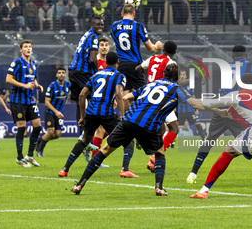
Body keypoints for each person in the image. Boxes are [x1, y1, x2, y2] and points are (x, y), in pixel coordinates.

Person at [71, 64, 194, 196]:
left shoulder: (151, 84)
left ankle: (79, 184)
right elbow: (195, 103)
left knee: (105, 150)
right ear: (176, 78)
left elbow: (126, 97)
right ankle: (159, 188)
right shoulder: (177, 89)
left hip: (129, 120)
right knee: (159, 152)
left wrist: (120, 104)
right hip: (148, 124)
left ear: (164, 74)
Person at [186, 44, 252, 185]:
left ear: (232, 56)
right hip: (240, 109)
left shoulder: (226, 67)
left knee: (210, 139)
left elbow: (221, 90)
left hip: (223, 108)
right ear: (246, 55)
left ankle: (193, 174)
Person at [58, 51, 137, 177]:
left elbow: (82, 95)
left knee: (85, 140)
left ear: (106, 62)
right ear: (118, 62)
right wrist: (123, 116)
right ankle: (125, 169)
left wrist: (83, 117)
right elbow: (118, 93)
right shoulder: (119, 76)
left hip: (91, 112)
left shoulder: (96, 75)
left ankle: (65, 169)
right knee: (128, 139)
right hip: (106, 113)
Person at [135, 41, 179, 172]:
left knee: (160, 130)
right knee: (174, 128)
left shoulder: (153, 58)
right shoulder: (171, 63)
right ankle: (155, 157)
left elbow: (138, 68)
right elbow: (174, 83)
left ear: (163, 49)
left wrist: (147, 80)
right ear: (174, 52)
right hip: (161, 98)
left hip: (148, 97)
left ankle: (153, 161)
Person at [110, 4, 162, 111]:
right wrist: (157, 46)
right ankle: (140, 122)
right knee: (143, 96)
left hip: (121, 66)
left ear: (121, 14)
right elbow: (150, 49)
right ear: (134, 14)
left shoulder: (114, 26)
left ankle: (125, 122)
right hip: (136, 65)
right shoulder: (139, 26)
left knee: (125, 97)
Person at [6, 40, 44, 167]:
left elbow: (32, 78)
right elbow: (8, 79)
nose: (28, 49)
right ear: (21, 50)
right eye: (25, 47)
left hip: (29, 100)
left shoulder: (33, 64)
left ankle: (30, 155)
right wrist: (24, 85)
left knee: (37, 127)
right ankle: (19, 157)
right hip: (17, 100)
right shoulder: (16, 62)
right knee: (22, 128)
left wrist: (37, 85)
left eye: (30, 47)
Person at [68, 14, 104, 133]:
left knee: (80, 101)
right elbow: (93, 59)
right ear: (92, 25)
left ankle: (81, 132)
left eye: (102, 25)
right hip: (82, 72)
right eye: (98, 25)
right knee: (95, 99)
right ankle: (91, 131)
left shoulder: (86, 34)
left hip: (74, 72)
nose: (100, 27)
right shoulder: (93, 37)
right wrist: (98, 71)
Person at [36, 67, 71, 157]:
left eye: (63, 73)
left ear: (65, 74)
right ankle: (39, 151)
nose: (61, 74)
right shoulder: (52, 86)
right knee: (50, 132)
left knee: (57, 134)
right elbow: (46, 102)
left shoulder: (68, 86)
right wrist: (56, 111)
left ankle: (40, 140)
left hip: (59, 114)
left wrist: (60, 111)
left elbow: (65, 98)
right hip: (50, 112)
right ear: (56, 75)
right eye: (59, 73)